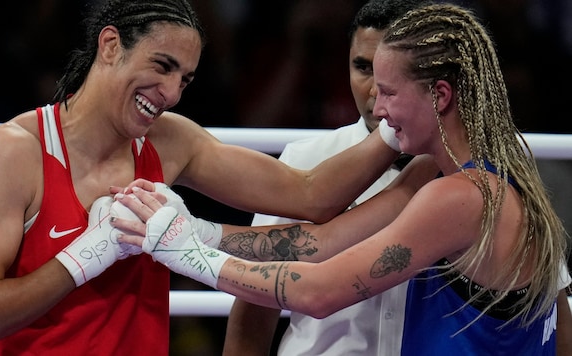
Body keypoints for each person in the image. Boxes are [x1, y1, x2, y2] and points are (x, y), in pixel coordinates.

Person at [0, 0, 405, 355]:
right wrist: (84, 257)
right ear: (110, 46)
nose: (170, 94)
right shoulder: (12, 152)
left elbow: (311, 194)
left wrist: (400, 116)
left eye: (185, 80)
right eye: (162, 66)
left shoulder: (170, 142)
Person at [114, 3, 571, 354]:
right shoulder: (447, 175)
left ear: (440, 95)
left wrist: (184, 252)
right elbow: (322, 242)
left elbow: (317, 292)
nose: (380, 109)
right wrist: (197, 231)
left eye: (390, 91)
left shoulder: (461, 197)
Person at [223, 1, 422, 355]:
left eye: (394, 71)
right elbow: (255, 305)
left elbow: (546, 298)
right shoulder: (306, 160)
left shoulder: (473, 168)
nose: (377, 90)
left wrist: (193, 240)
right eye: (363, 68)